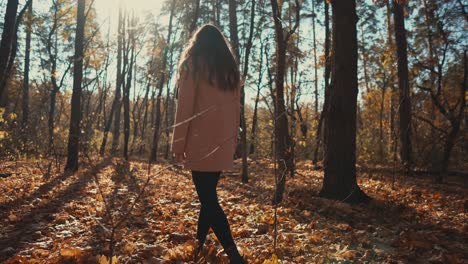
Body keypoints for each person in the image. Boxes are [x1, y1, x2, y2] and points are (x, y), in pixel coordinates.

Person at [171, 24, 246, 263]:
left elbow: (185, 108)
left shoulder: (191, 66)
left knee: (208, 199)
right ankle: (199, 243)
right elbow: (237, 110)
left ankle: (233, 254)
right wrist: (233, 141)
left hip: (200, 142)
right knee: (208, 195)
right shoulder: (230, 70)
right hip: (223, 141)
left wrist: (178, 143)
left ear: (197, 42)